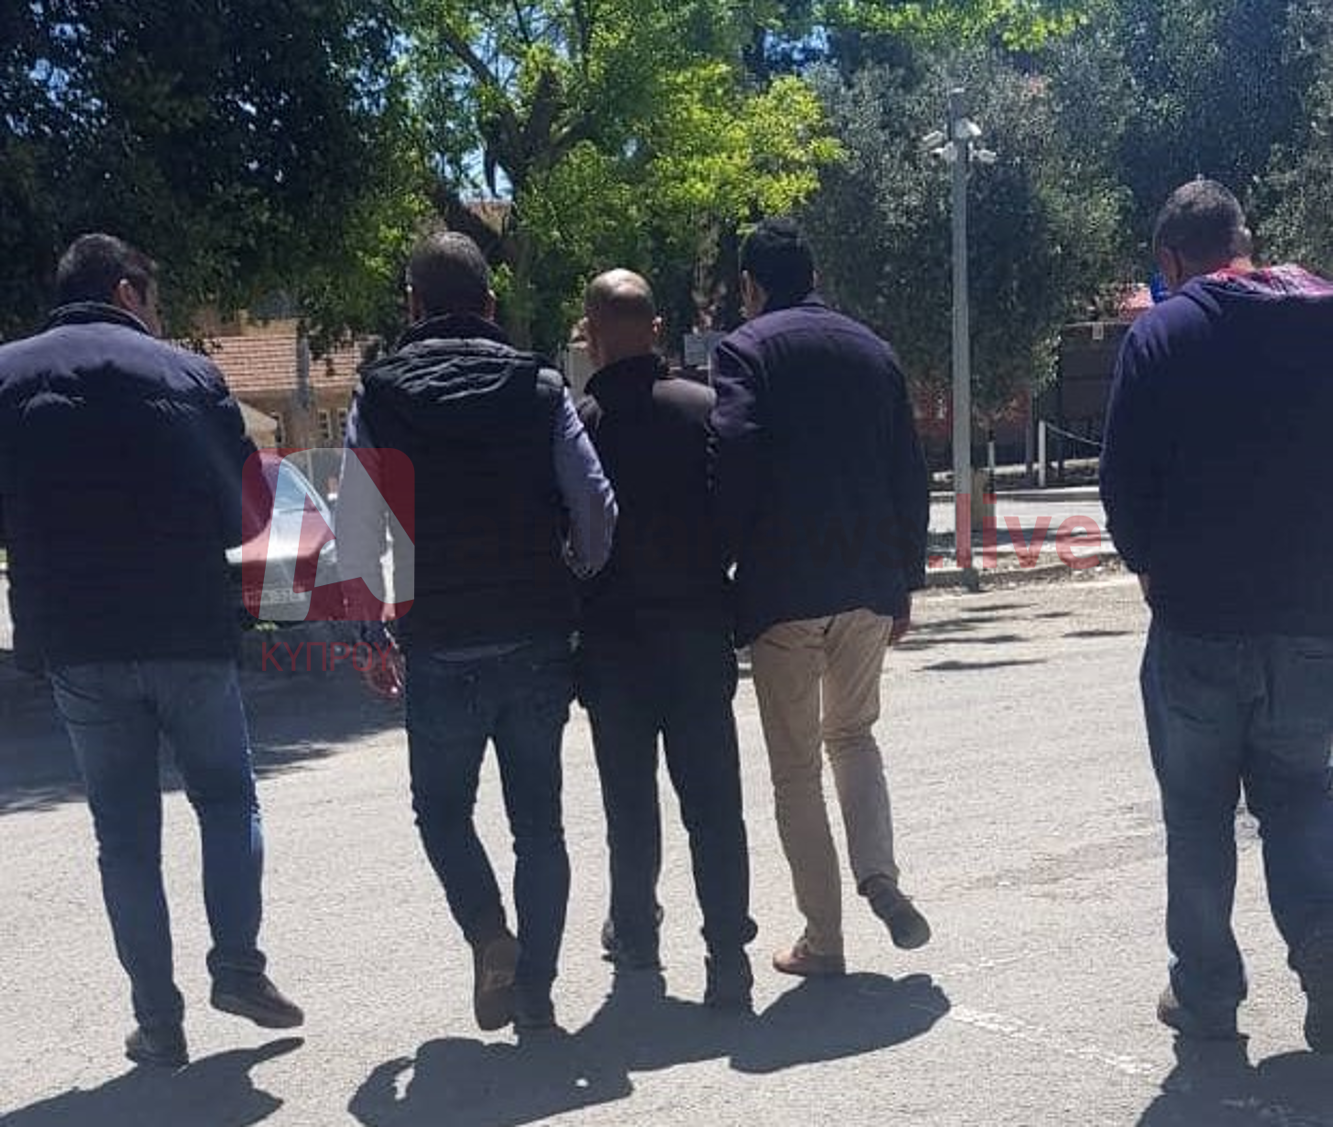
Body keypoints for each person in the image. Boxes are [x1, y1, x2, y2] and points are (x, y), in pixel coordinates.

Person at [0, 234, 302, 1069]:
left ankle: (158, 1022)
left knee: (125, 836)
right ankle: (238, 967)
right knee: (227, 799)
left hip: (78, 639)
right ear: (127, 292)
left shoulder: (6, 377)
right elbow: (250, 510)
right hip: (187, 628)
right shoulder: (189, 376)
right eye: (155, 298)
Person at [336, 231, 616, 1033]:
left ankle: (490, 934)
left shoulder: (379, 395)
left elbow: (356, 526)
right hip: (534, 634)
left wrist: (368, 635)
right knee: (539, 826)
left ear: (412, 305)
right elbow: (593, 501)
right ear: (490, 304)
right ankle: (536, 995)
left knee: (441, 810)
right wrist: (577, 573)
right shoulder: (539, 386)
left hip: (438, 638)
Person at [1101, 179, 1333, 1050]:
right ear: (1245, 239)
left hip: (1196, 618)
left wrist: (1147, 564)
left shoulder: (1163, 334)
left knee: (1197, 816)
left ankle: (1205, 994)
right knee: (1300, 796)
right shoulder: (1320, 314)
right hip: (1311, 619)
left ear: (1170, 259)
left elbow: (1122, 482)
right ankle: (1323, 944)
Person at [710, 217, 931, 978]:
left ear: (751, 285)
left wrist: (721, 557)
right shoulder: (873, 350)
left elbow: (733, 453)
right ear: (813, 274)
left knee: (796, 766)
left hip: (785, 587)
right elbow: (908, 471)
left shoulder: (745, 350)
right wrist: (905, 580)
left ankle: (823, 937)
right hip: (869, 582)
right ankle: (880, 876)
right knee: (855, 734)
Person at [576, 269, 757, 1009]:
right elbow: (738, 510)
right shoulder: (704, 410)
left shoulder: (579, 424)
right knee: (714, 806)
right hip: (696, 630)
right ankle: (728, 958)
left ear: (590, 335)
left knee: (629, 807)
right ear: (655, 329)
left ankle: (637, 939)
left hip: (613, 644)